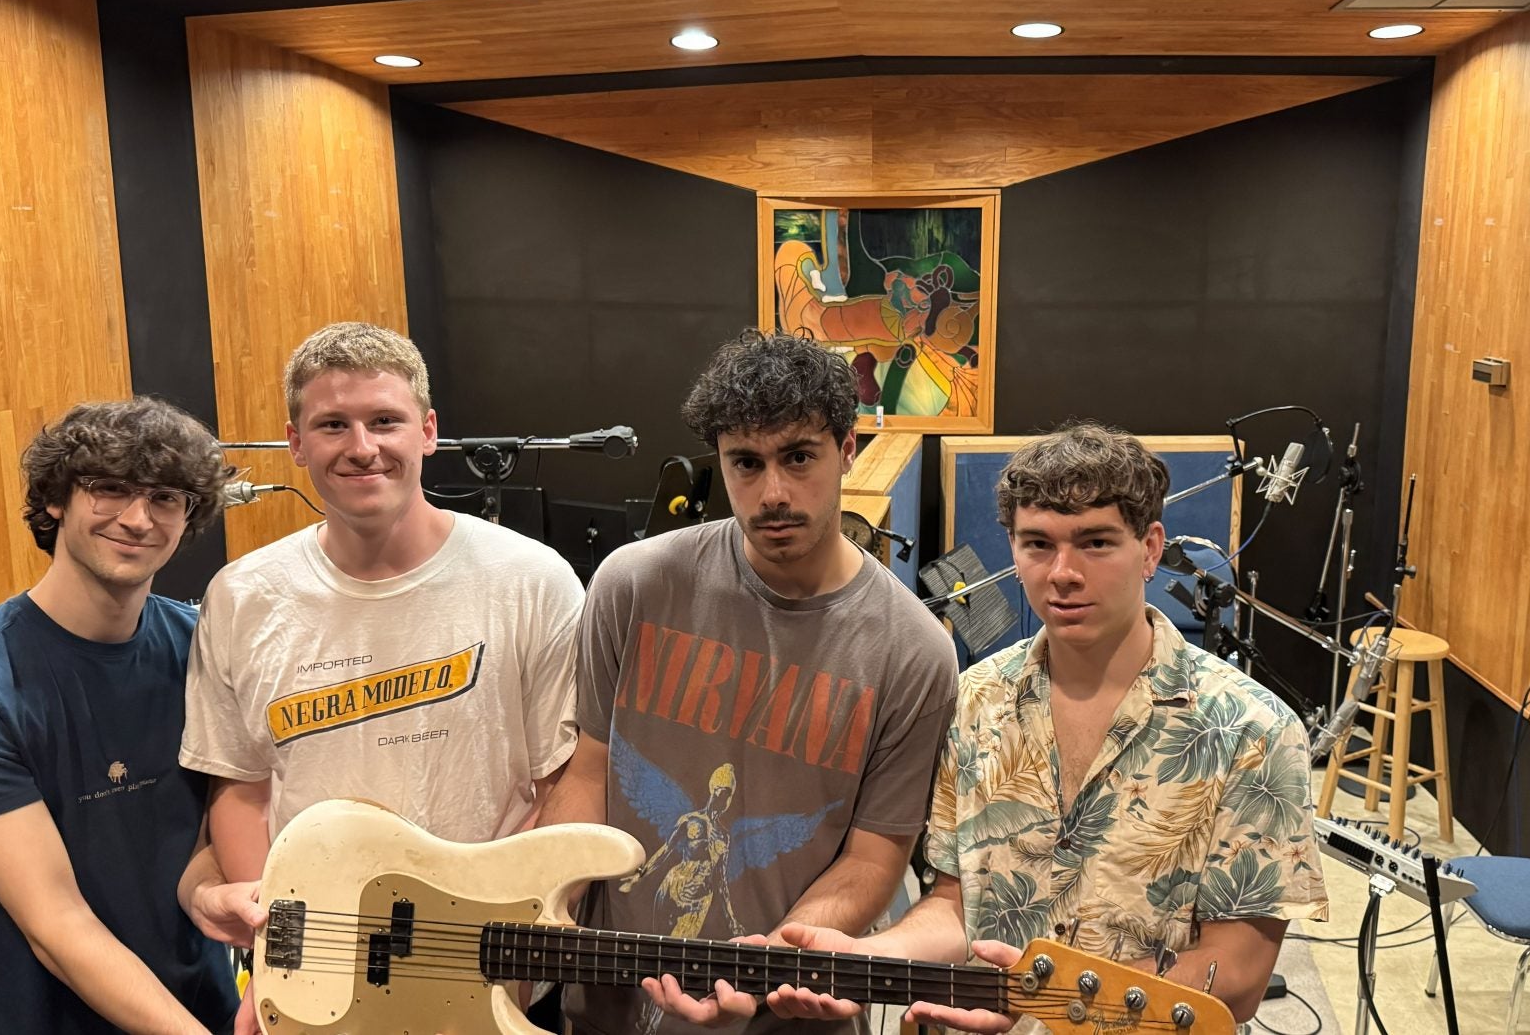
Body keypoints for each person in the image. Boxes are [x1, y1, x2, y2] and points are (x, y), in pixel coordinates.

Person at [746, 423, 1330, 1030]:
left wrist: (1043, 1000)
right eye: (1038, 545)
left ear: (1151, 548)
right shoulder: (974, 700)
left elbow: (1237, 976)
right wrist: (868, 956)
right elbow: (957, 905)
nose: (1063, 573)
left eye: (1096, 543)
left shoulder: (1251, 731)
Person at [538, 329, 959, 1035]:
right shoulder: (634, 584)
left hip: (783, 1018)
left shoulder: (913, 650)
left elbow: (873, 856)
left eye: (799, 457)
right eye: (746, 463)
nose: (774, 493)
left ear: (847, 449)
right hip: (609, 1008)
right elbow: (591, 772)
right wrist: (544, 903)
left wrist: (769, 964)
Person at [175, 323, 584, 983]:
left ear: (428, 431)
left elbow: (561, 785)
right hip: (321, 974)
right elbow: (241, 788)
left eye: (385, 421)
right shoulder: (241, 596)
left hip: (484, 968)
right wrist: (285, 955)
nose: (362, 448)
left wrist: (480, 930)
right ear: (296, 443)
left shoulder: (531, 580)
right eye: (333, 425)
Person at [0, 397, 238, 1034]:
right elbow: (56, 923)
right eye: (109, 489)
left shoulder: (203, 648)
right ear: (57, 499)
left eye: (165, 498)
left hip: (202, 1007)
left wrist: (213, 890)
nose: (137, 518)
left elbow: (205, 834)